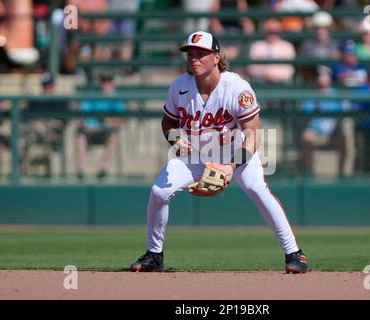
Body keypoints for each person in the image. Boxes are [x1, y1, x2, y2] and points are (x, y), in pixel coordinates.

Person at [130, 31, 309, 274]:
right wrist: (174, 138)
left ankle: (294, 253)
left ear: (216, 57)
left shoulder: (237, 87)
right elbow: (168, 122)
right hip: (195, 153)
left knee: (258, 189)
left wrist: (231, 167)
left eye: (201, 54)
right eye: (190, 54)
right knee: (159, 192)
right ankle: (154, 255)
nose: (194, 58)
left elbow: (253, 134)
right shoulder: (179, 86)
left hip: (237, 153)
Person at [300, 66, 348, 178]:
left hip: (334, 129)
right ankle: (310, 173)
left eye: (323, 76)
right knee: (307, 137)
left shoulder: (337, 94)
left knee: (344, 138)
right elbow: (305, 114)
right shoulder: (311, 94)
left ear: (329, 78)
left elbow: (343, 113)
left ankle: (342, 173)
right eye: (318, 76)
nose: (320, 78)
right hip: (316, 129)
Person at [76, 72, 125, 179]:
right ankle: (81, 170)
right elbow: (81, 116)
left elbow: (122, 119)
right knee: (80, 136)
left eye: (108, 81)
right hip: (91, 130)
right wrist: (84, 123)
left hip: (106, 132)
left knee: (114, 137)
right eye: (103, 81)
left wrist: (109, 121)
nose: (106, 84)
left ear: (112, 82)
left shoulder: (116, 97)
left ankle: (103, 169)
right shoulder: (93, 94)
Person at [246, 18, 296, 84]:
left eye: (274, 32)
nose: (271, 34)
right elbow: (252, 68)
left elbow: (289, 70)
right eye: (269, 32)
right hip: (260, 84)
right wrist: (264, 74)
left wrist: (274, 76)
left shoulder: (287, 46)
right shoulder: (256, 46)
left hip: (282, 85)